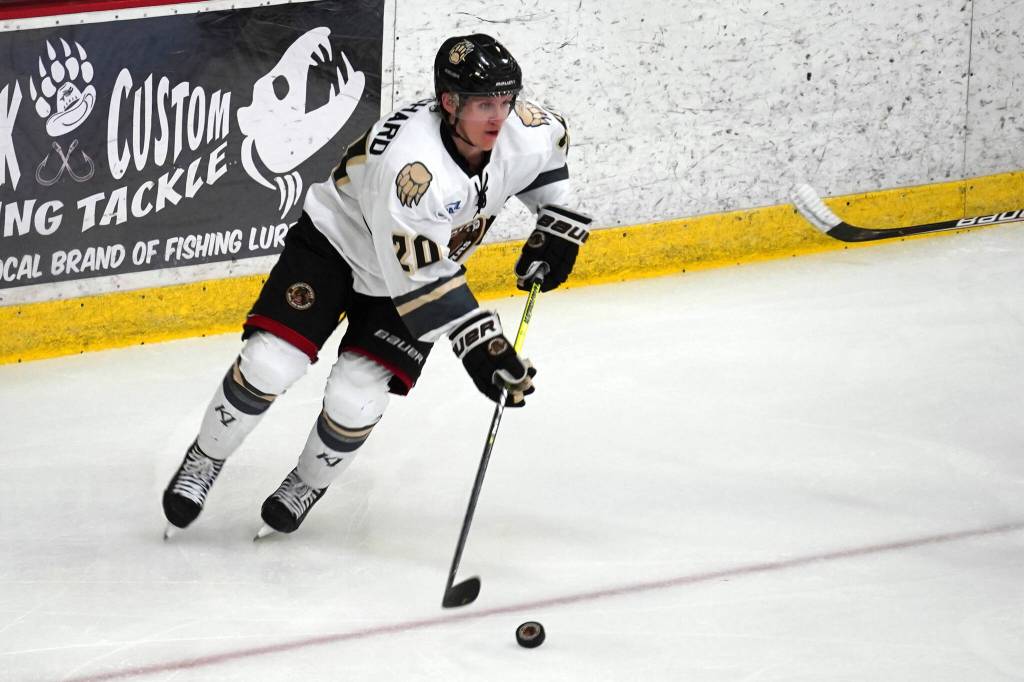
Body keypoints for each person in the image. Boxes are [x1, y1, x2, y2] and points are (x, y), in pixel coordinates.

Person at [161, 33, 593, 539]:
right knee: (269, 363)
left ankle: (306, 482)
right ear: (449, 103)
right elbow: (417, 275)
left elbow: (548, 165)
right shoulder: (412, 168)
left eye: (505, 101)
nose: (499, 117)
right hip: (337, 247)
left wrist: (557, 224)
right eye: (483, 105)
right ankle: (205, 457)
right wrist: (481, 343)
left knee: (355, 401)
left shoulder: (527, 130)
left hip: (414, 270)